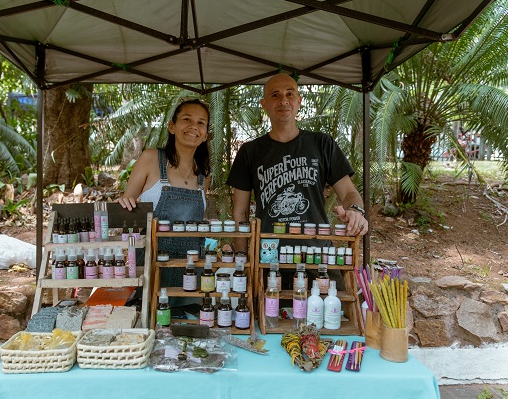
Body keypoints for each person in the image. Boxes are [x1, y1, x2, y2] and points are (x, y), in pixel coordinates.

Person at [226, 74, 368, 287]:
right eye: (275, 95)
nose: (283, 100)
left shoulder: (322, 144)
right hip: (269, 257)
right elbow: (240, 212)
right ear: (264, 104)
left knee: (333, 304)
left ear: (299, 101)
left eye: (289, 94)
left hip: (317, 254)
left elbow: (348, 192)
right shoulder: (249, 151)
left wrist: (356, 210)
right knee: (268, 307)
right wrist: (241, 259)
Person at [117, 98, 211, 287]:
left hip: (190, 268)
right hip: (151, 264)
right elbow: (126, 209)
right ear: (172, 126)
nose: (194, 126)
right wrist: (123, 204)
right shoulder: (150, 158)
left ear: (205, 135)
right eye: (187, 119)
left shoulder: (204, 175)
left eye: (201, 123)